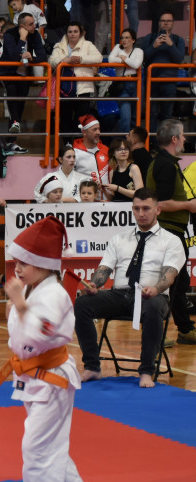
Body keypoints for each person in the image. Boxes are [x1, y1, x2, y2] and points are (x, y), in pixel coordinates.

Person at [0, 215, 96, 482]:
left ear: (43, 263)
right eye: (17, 262)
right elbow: (17, 336)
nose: (19, 268)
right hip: (34, 377)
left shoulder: (53, 294)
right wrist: (19, 303)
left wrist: (19, 304)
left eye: (25, 262)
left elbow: (40, 334)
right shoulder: (35, 289)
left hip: (52, 378)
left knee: (37, 446)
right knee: (49, 442)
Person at [74, 188, 186, 387]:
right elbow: (105, 268)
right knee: (83, 303)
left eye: (146, 208)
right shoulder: (119, 238)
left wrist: (156, 289)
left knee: (152, 306)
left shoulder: (171, 240)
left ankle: (146, 371)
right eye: (136, 208)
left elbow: (169, 275)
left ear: (158, 210)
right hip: (120, 294)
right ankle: (92, 367)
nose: (141, 213)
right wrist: (94, 283)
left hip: (152, 296)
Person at [145, 119, 196, 346]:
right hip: (168, 230)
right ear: (174, 139)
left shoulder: (166, 162)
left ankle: (184, 329)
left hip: (172, 230)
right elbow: (162, 203)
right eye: (183, 135)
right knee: (170, 282)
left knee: (177, 281)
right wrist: (188, 205)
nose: (185, 139)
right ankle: (166, 330)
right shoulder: (165, 164)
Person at [49, 22, 102, 132]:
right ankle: (68, 144)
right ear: (67, 33)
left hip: (83, 88)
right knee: (65, 119)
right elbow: (52, 61)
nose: (72, 34)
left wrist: (79, 59)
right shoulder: (59, 46)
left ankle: (78, 146)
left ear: (80, 33)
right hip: (63, 88)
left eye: (75, 31)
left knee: (81, 121)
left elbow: (98, 58)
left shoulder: (88, 44)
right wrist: (65, 61)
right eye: (70, 31)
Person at [0, 11, 46, 134]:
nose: (34, 26)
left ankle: (12, 139)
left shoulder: (35, 34)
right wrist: (22, 39)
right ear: (22, 26)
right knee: (13, 98)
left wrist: (32, 58)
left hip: (25, 74)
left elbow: (43, 56)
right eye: (30, 24)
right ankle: (14, 125)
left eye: (34, 23)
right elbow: (14, 58)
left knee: (20, 104)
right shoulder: (9, 35)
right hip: (9, 73)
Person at [139, 12, 187, 131]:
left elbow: (179, 59)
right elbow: (143, 58)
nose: (166, 23)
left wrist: (171, 45)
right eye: (163, 20)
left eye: (169, 21)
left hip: (169, 82)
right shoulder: (149, 38)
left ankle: (165, 145)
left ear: (172, 23)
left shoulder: (178, 40)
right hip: (151, 82)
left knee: (167, 115)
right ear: (159, 23)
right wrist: (153, 46)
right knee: (152, 114)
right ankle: (152, 144)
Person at [107, 29, 143, 133]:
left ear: (133, 40)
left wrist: (123, 58)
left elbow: (137, 65)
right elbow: (110, 59)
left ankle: (133, 143)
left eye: (127, 38)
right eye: (122, 37)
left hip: (136, 84)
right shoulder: (118, 47)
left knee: (135, 118)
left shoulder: (138, 51)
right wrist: (127, 60)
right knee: (125, 118)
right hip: (122, 85)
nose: (124, 40)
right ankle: (125, 144)